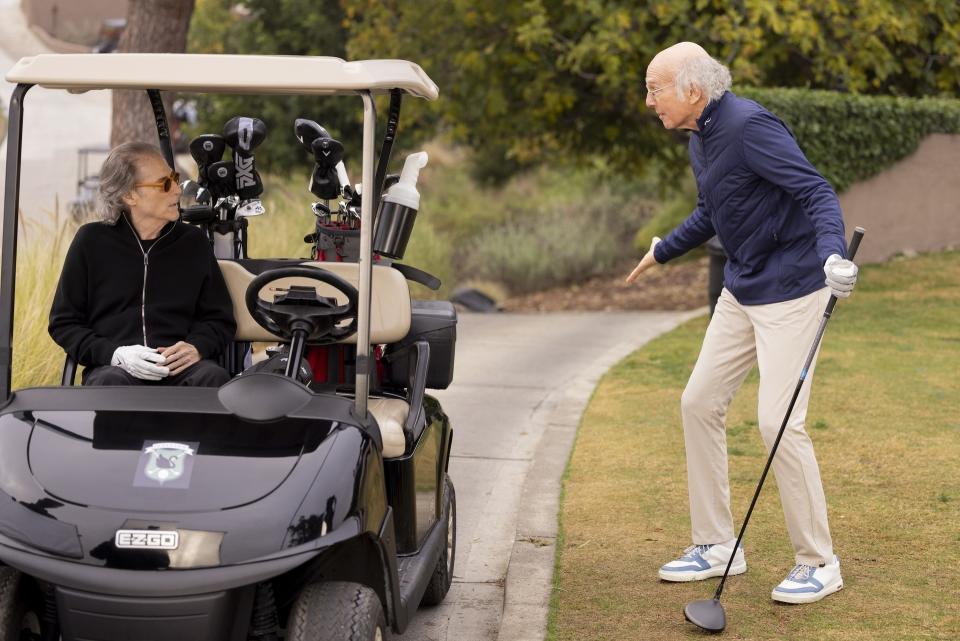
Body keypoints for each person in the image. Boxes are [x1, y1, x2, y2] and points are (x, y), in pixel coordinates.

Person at [625, 42, 858, 604]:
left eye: (655, 88)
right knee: (698, 402)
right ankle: (716, 545)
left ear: (693, 91)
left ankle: (819, 561)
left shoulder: (750, 125)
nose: (648, 99)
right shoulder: (700, 138)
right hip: (742, 287)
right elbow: (714, 208)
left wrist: (833, 254)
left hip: (794, 290)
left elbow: (815, 190)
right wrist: (665, 249)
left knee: (778, 421)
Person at [49, 142, 235, 387]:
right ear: (129, 195)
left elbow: (219, 319)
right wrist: (115, 355)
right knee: (108, 383)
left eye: (174, 178)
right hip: (116, 369)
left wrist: (197, 347)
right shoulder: (91, 241)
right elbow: (64, 323)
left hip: (181, 369)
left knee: (213, 377)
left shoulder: (193, 242)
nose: (177, 191)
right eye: (165, 184)